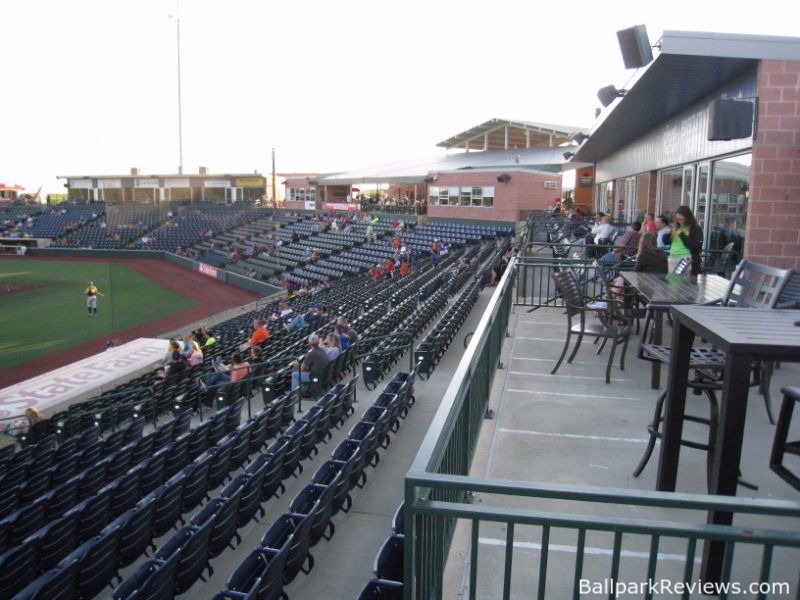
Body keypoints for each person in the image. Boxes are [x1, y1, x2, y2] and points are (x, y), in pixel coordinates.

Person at [666, 205, 703, 275]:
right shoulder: (677, 227)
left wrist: (682, 235)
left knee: (683, 283)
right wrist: (668, 235)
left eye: (681, 219)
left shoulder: (695, 229)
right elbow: (666, 242)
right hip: (672, 258)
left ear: (687, 218)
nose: (679, 221)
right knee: (671, 282)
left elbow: (696, 247)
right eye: (677, 219)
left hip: (685, 260)